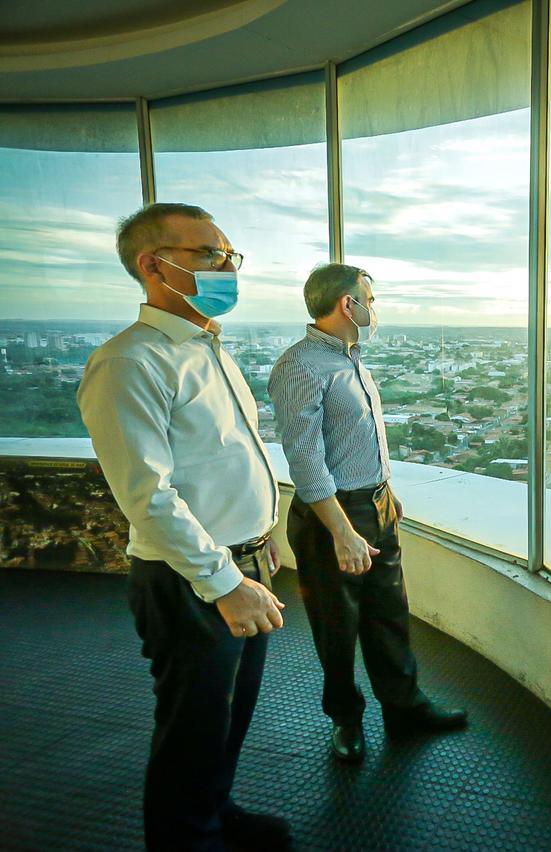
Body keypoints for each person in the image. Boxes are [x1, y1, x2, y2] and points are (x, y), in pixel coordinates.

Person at [77, 202, 292, 850]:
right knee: (192, 725)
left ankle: (215, 810)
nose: (229, 267)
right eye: (209, 254)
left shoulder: (209, 349)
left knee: (228, 716)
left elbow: (231, 458)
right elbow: (148, 497)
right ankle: (186, 837)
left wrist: (263, 539)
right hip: (190, 578)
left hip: (240, 562)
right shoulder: (130, 362)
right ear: (154, 265)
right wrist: (226, 582)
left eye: (232, 256)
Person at [269, 263, 466, 765]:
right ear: (346, 304)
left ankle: (404, 709)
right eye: (370, 300)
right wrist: (342, 530)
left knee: (389, 615)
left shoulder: (353, 361)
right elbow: (306, 459)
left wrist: (387, 493)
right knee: (337, 627)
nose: (374, 309)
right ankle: (346, 721)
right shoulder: (302, 366)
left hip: (374, 504)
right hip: (333, 516)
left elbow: (363, 440)